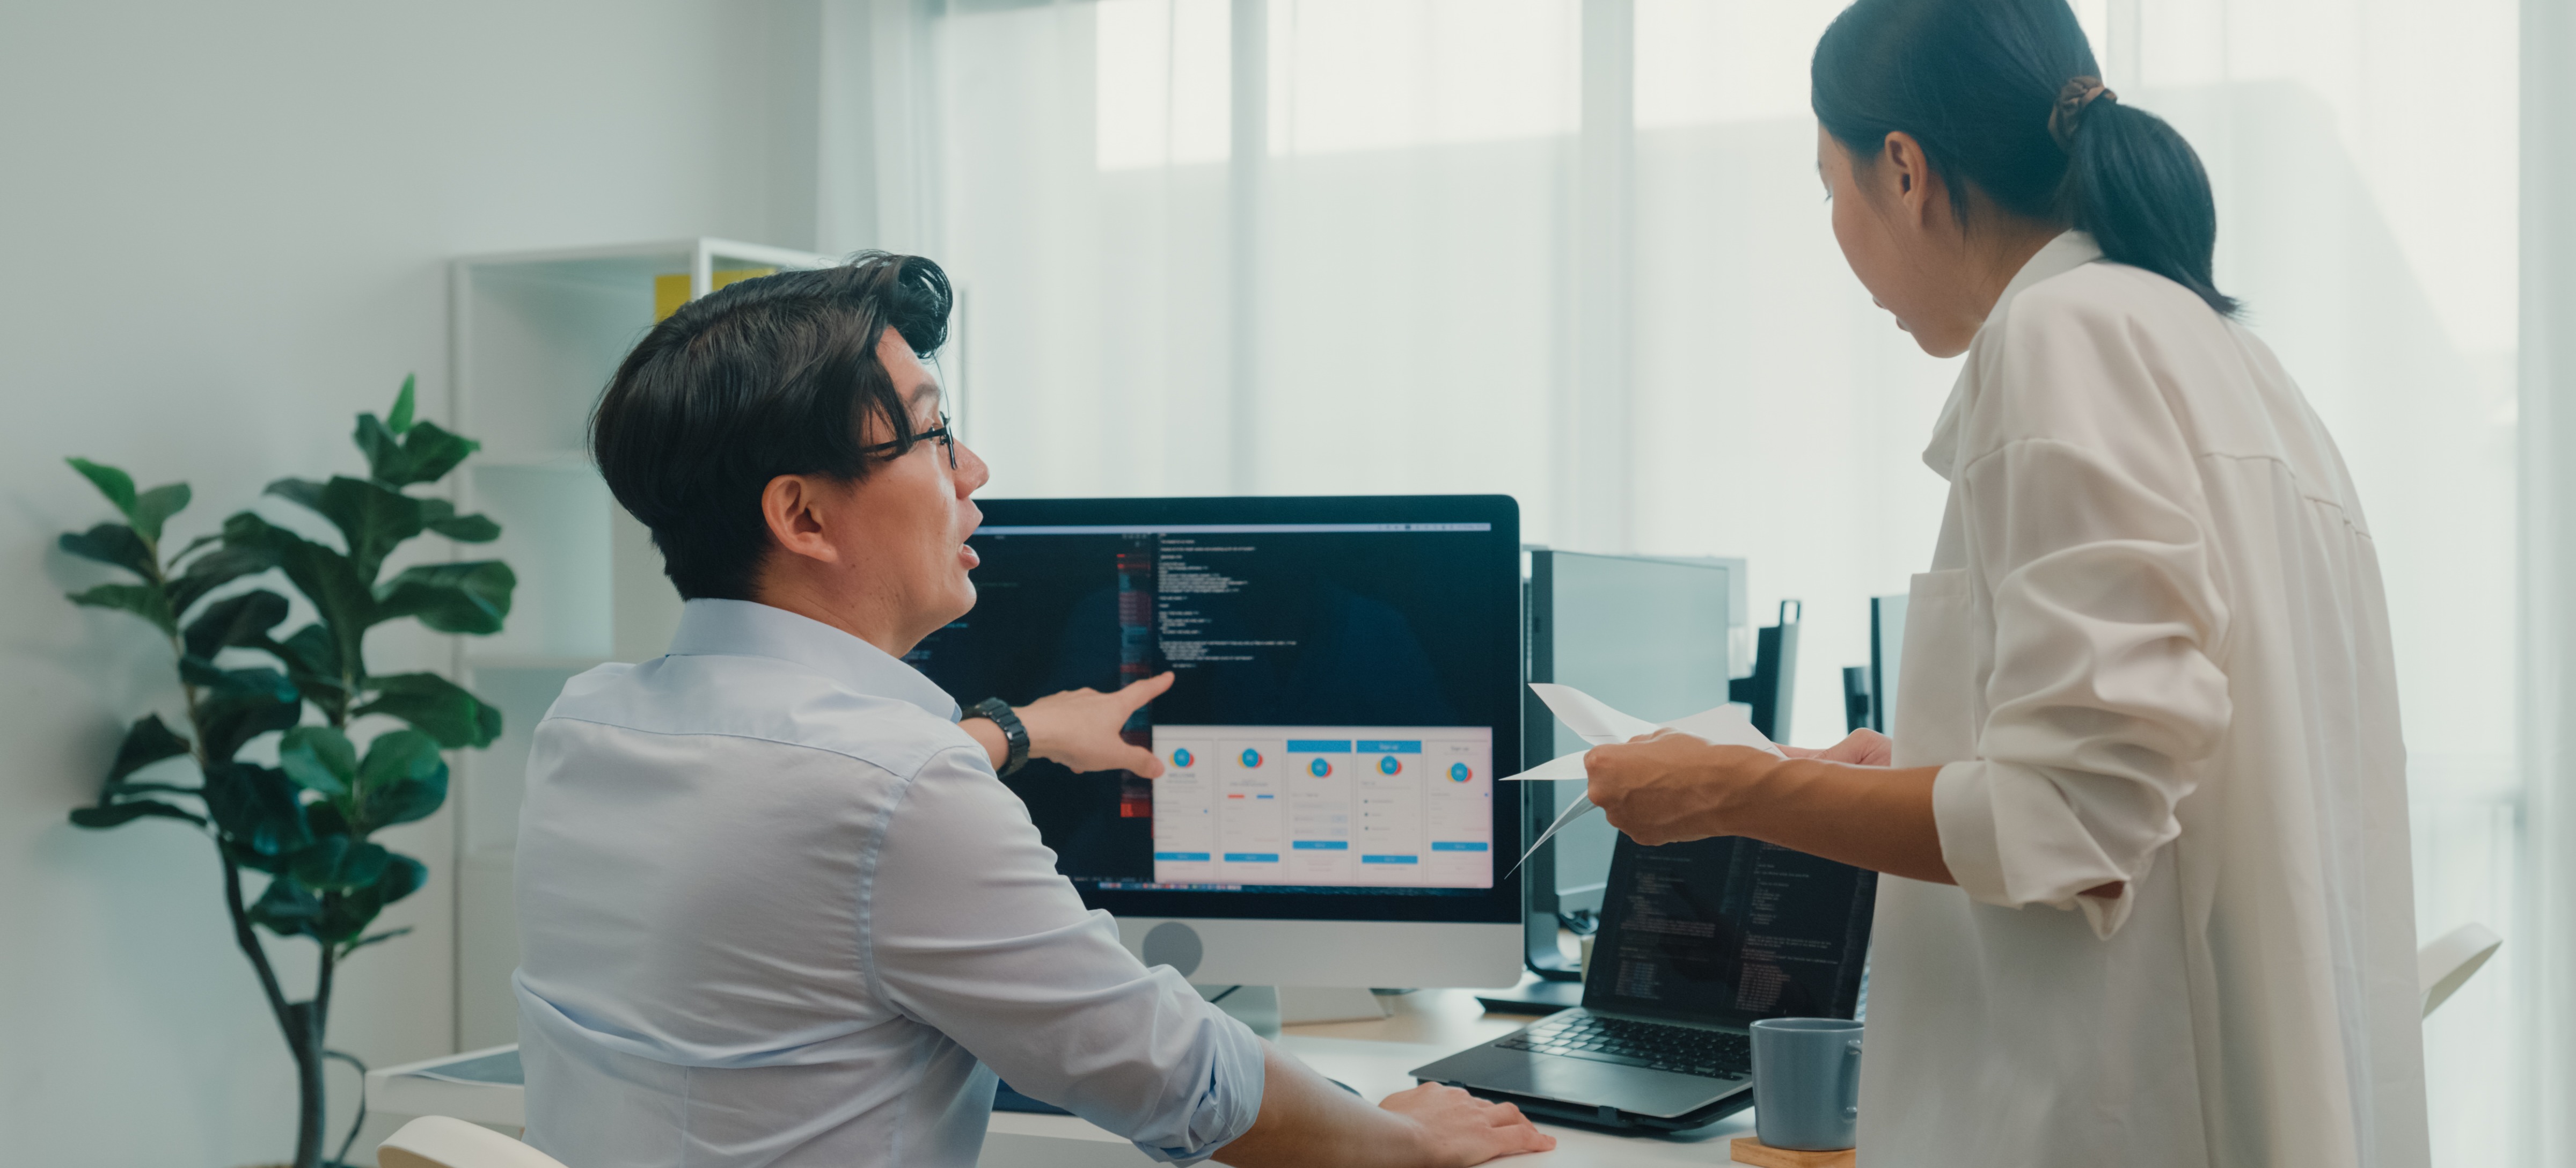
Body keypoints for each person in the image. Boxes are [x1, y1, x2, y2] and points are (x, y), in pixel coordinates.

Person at [1581, 2, 2427, 1165]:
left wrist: (1737, 792)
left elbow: (2072, 820)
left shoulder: (2059, 339)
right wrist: (1928, 761)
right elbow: (2153, 763)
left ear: (1905, 171)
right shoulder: (2226, 356)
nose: (1835, 226)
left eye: (1828, 186)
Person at [511, 253, 1553, 1167]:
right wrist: (1406, 1139)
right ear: (803, 514)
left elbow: (812, 820)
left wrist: (1022, 727)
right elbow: (1182, 1077)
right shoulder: (897, 790)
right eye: (931, 435)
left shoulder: (590, 726)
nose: (974, 471)